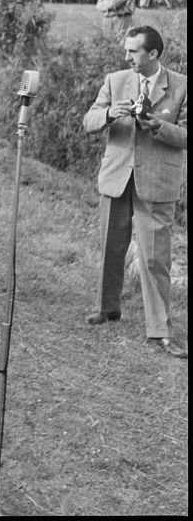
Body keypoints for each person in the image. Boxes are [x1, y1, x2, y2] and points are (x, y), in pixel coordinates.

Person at [81, 26, 187, 358]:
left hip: (156, 183)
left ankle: (160, 331)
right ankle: (107, 307)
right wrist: (110, 114)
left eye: (133, 51)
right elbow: (89, 119)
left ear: (153, 55)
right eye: (126, 51)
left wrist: (161, 128)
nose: (126, 57)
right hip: (116, 177)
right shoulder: (115, 80)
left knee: (154, 258)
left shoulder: (181, 86)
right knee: (110, 246)